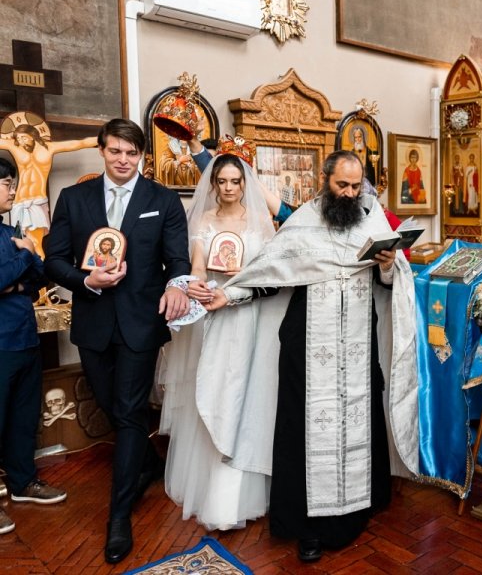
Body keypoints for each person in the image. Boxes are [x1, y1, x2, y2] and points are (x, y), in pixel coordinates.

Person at [200, 150, 418, 563]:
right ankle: (308, 528)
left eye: (356, 186)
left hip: (357, 348)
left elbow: (391, 285)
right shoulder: (302, 223)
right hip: (306, 350)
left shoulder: (372, 218)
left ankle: (355, 510)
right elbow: (267, 274)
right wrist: (226, 294)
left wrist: (389, 266)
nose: (351, 194)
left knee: (359, 426)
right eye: (342, 185)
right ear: (326, 180)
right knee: (304, 434)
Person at [44, 118, 191, 565]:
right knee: (112, 405)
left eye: (131, 153)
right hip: (93, 323)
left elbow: (177, 259)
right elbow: (53, 260)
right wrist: (85, 279)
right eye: (115, 152)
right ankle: (146, 462)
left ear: (141, 156)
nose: (123, 160)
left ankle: (119, 516)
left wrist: (176, 286)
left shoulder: (162, 200)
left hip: (141, 324)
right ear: (103, 152)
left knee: (127, 411)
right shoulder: (74, 198)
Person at [158, 141, 279, 531]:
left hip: (254, 314)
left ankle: (253, 485)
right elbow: (197, 267)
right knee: (221, 390)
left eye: (235, 181)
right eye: (222, 181)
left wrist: (240, 287)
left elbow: (270, 273)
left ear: (245, 184)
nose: (229, 188)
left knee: (254, 393)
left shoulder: (262, 224)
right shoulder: (204, 221)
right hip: (217, 314)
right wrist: (197, 286)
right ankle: (220, 491)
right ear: (213, 185)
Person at [0, 157, 67, 535]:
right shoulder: (17, 241)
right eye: (7, 183)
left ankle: (24, 483)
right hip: (0, 343)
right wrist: (24, 257)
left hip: (25, 338)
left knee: (24, 419)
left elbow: (39, 276)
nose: (13, 190)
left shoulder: (10, 232)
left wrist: (18, 277)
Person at [0, 120, 97, 257]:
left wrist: (105, 138)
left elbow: (79, 143)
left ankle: (40, 273)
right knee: (18, 240)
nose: (21, 141)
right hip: (19, 203)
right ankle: (25, 274)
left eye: (24, 137)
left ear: (32, 135)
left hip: (38, 201)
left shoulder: (50, 148)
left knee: (40, 241)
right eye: (18, 138)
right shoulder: (14, 147)